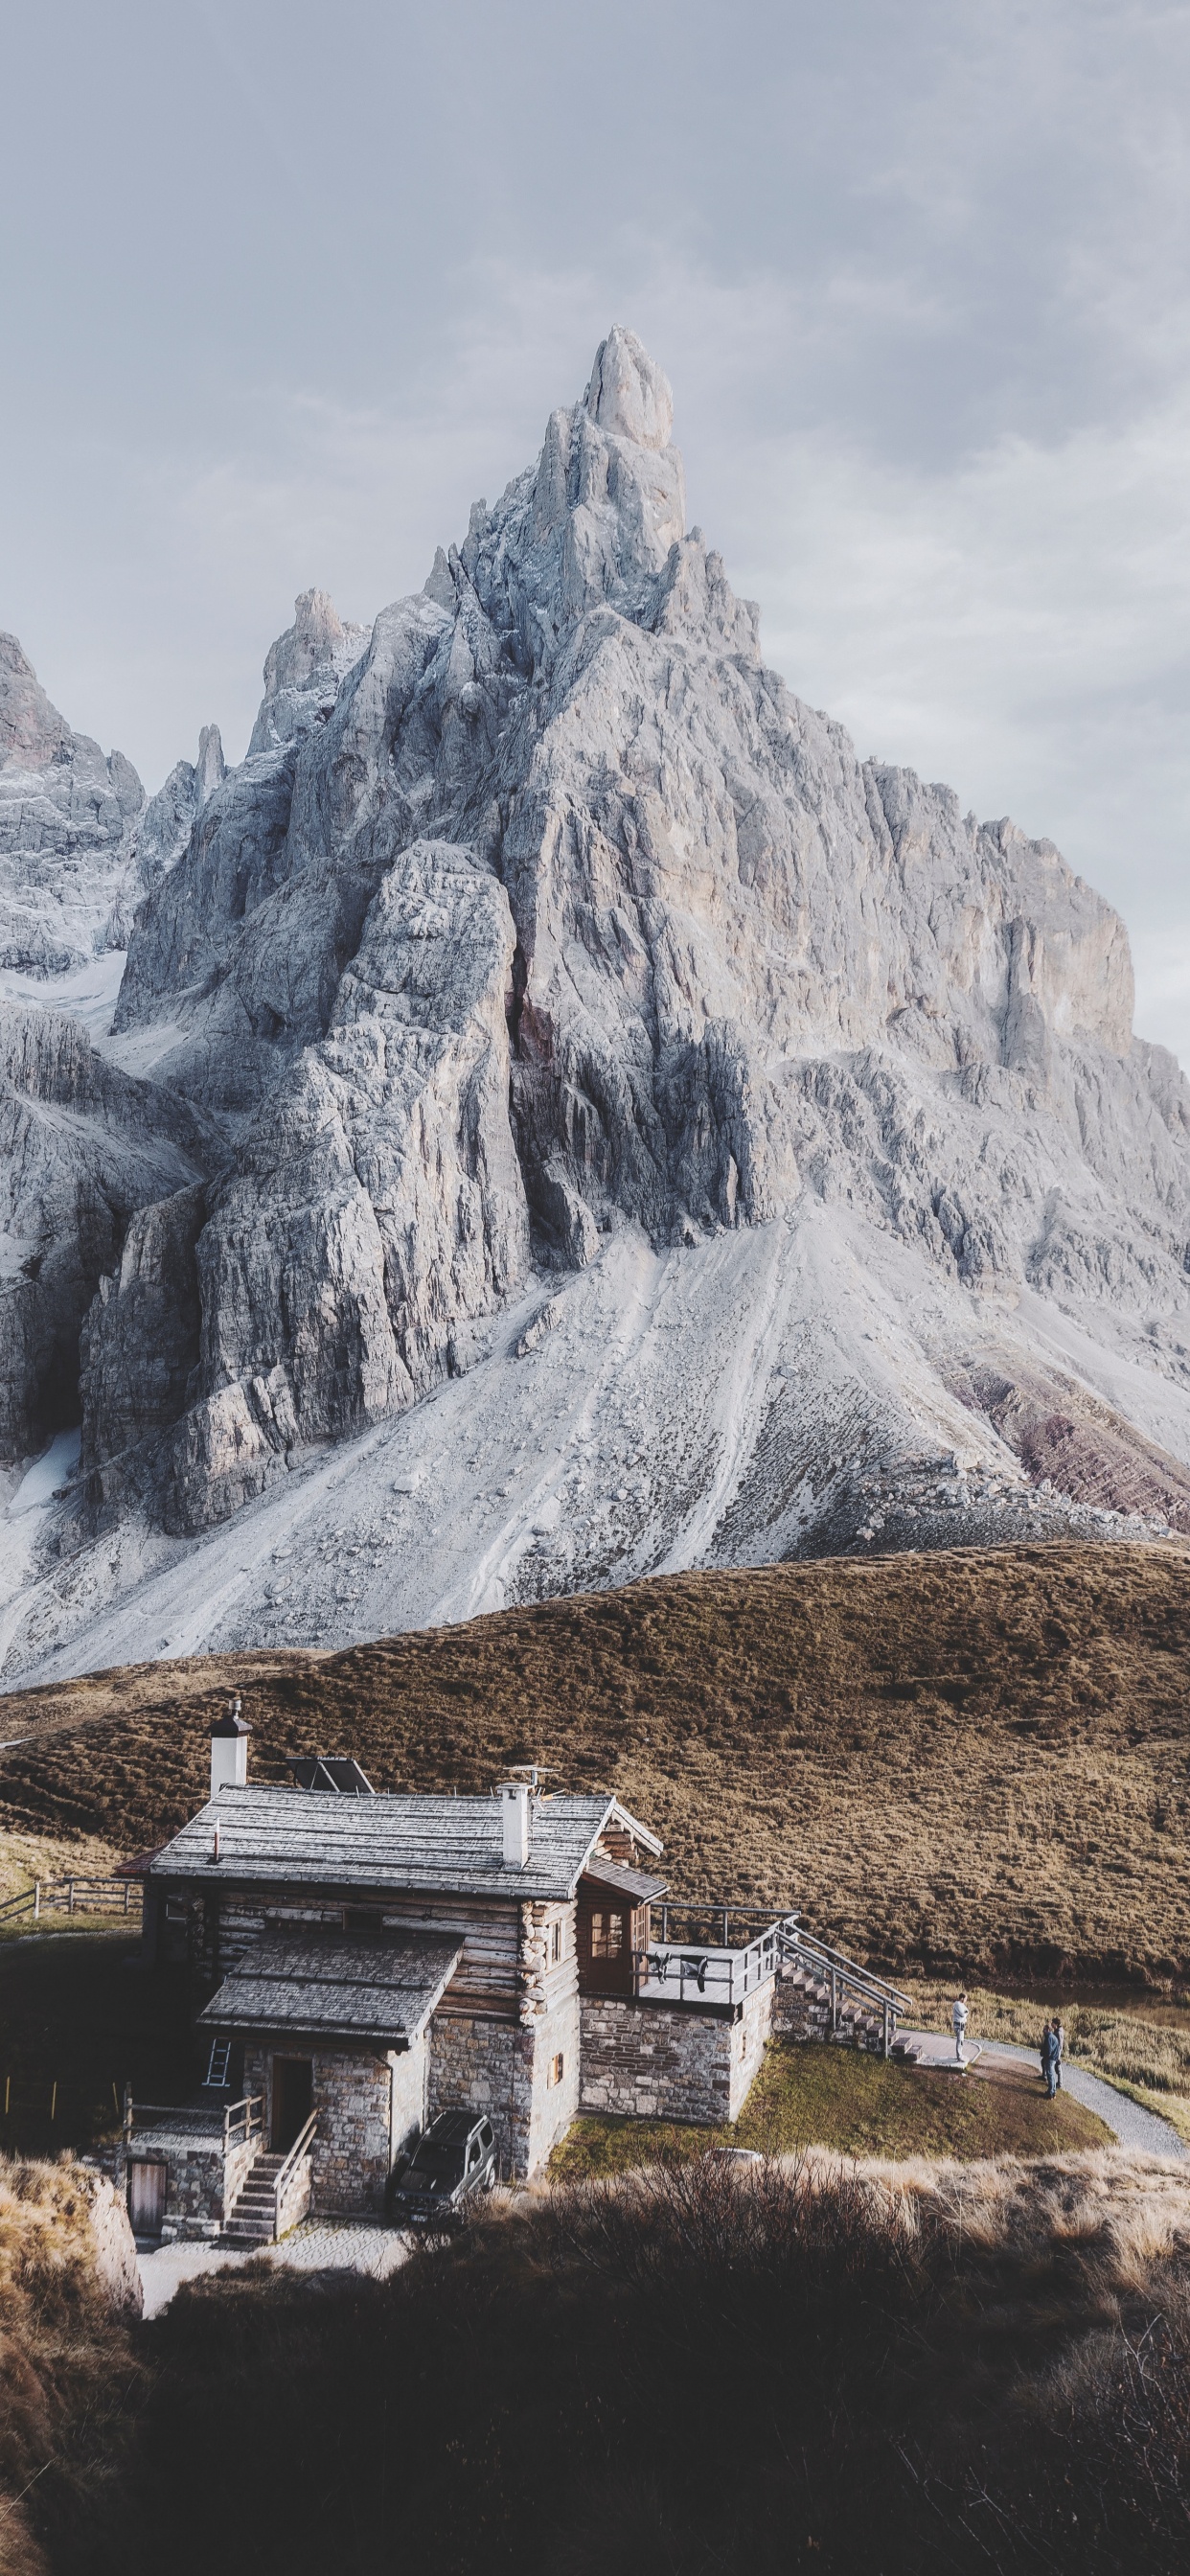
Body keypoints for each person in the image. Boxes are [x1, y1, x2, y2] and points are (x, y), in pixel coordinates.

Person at [1041, 2020, 1061, 2099]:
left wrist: (1045, 2056)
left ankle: (1050, 2093)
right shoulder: (1053, 2037)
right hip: (1053, 2059)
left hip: (1050, 2059)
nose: (1043, 2031)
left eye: (1044, 2030)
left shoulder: (1049, 2038)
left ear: (1048, 2030)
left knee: (1050, 2076)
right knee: (1052, 2076)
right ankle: (1053, 2091)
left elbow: (1049, 2050)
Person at [952, 1990, 969, 2066]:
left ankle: (960, 2055)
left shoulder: (962, 2005)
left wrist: (965, 2013)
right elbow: (963, 2014)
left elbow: (967, 2011)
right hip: (958, 2025)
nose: (966, 2000)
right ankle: (959, 2056)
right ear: (962, 1998)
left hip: (961, 2025)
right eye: (965, 1998)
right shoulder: (957, 2004)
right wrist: (965, 2013)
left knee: (961, 2040)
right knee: (959, 2040)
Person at [1053, 2014, 1065, 2090]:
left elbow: (1060, 2045)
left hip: (1057, 2052)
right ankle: (1058, 2082)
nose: (1051, 2024)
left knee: (1058, 2066)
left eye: (1053, 2023)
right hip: (1056, 2051)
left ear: (1056, 2024)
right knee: (1056, 2066)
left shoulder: (1058, 2033)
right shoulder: (1058, 2030)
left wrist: (1057, 2055)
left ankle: (1060, 2083)